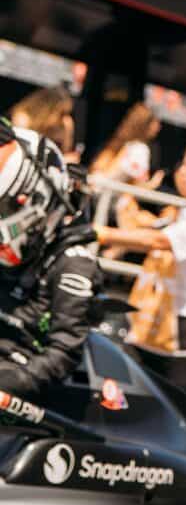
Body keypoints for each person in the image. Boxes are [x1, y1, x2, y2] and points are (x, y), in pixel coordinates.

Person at [95, 137, 186, 398]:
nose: (181, 171)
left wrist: (101, 234)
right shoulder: (177, 214)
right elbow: (140, 226)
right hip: (156, 323)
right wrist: (134, 188)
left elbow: (158, 240)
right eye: (181, 164)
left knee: (179, 408)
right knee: (137, 395)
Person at [0, 124, 101, 399]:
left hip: (24, 389)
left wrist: (8, 384)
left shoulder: (73, 263)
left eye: (2, 208)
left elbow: (63, 355)